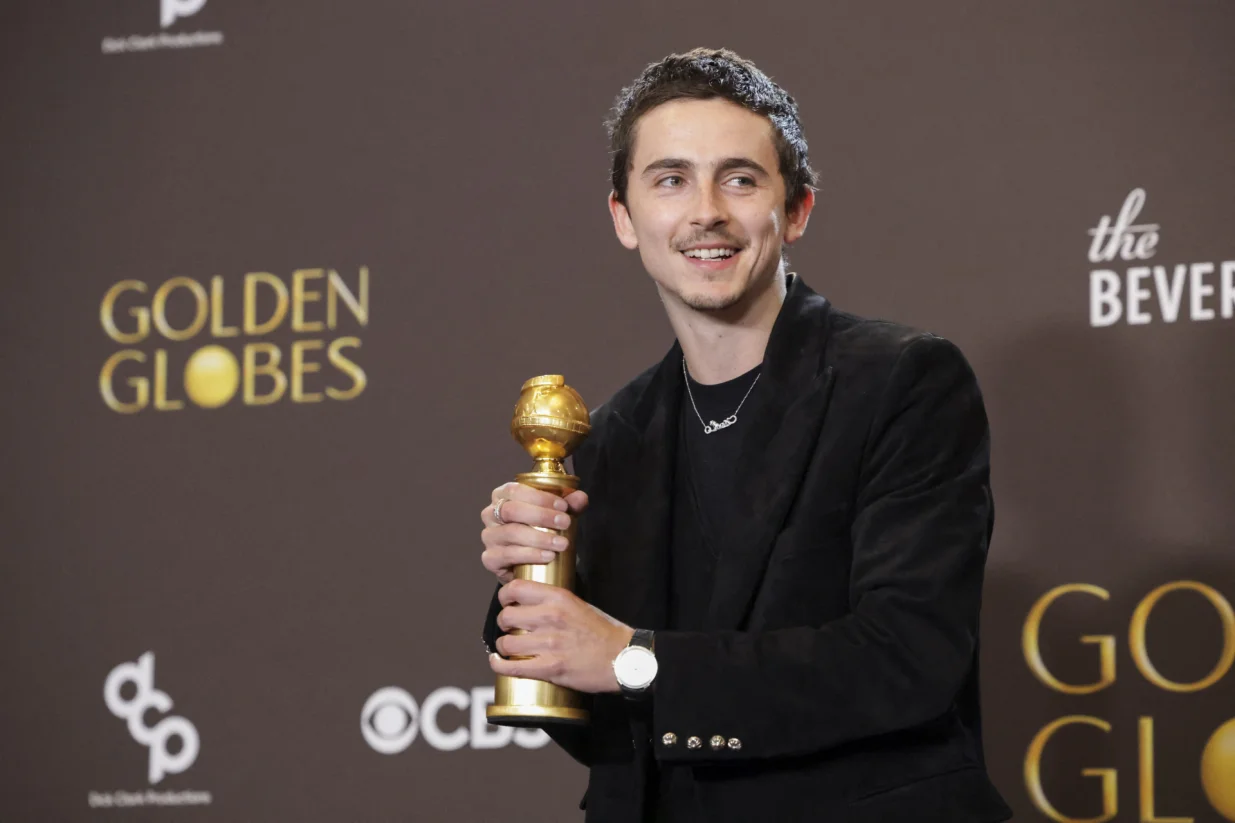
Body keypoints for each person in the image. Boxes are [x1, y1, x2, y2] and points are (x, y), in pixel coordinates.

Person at [478, 48, 1012, 823]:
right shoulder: (611, 440)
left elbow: (906, 659)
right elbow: (603, 732)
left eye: (738, 177)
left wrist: (631, 658)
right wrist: (527, 595)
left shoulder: (900, 381)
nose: (705, 212)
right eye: (669, 179)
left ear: (794, 209)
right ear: (623, 218)